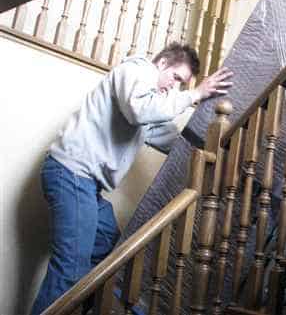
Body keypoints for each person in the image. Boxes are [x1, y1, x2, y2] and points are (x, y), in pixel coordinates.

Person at [31, 42, 233, 314]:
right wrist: (194, 94)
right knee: (70, 268)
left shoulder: (150, 108)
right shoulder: (136, 70)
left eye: (181, 85)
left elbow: (174, 143)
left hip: (87, 186)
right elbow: (139, 110)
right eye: (176, 78)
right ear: (161, 64)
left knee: (107, 248)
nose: (174, 88)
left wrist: (214, 153)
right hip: (71, 174)